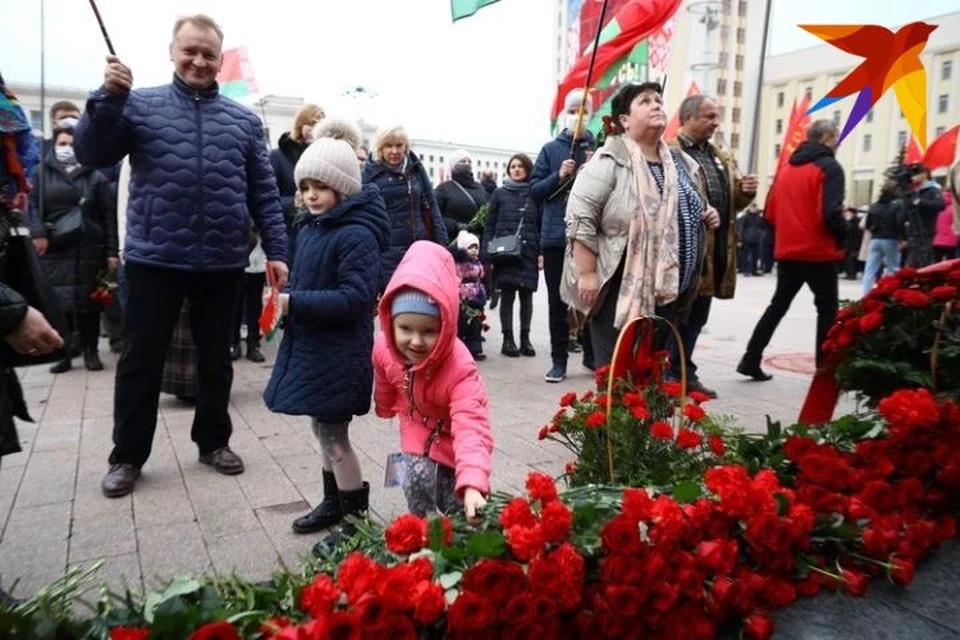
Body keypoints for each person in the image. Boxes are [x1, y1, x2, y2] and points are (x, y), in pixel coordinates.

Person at [74, 14, 289, 498]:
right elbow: (91, 153)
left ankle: (213, 442)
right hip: (155, 257)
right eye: (190, 50)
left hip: (222, 259)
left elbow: (265, 194)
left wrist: (277, 251)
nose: (199, 60)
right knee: (140, 360)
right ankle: (127, 456)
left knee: (218, 357)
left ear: (219, 60)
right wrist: (106, 99)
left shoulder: (243, 122)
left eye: (208, 54)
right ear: (172, 51)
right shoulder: (136, 105)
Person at [263, 120, 389, 555]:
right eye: (306, 185)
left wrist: (296, 303)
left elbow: (355, 299)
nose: (312, 194)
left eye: (321, 186)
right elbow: (307, 280)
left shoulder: (355, 234)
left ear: (343, 187)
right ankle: (334, 503)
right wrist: (285, 298)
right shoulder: (313, 227)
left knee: (335, 437)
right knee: (322, 431)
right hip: (316, 348)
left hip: (338, 351)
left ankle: (355, 522)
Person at [563, 82, 717, 369]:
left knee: (651, 372)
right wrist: (586, 273)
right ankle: (615, 415)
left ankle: (646, 414)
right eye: (645, 101)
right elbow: (580, 218)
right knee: (616, 377)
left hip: (666, 286)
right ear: (624, 120)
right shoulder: (608, 160)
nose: (656, 105)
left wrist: (706, 213)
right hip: (617, 285)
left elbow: (690, 202)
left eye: (658, 99)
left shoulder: (678, 161)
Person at [373, 240, 492, 520]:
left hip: (452, 436)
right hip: (415, 425)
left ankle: (462, 524)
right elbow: (385, 379)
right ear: (390, 322)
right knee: (413, 479)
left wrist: (473, 482)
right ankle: (420, 526)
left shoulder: (459, 367)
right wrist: (385, 406)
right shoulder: (383, 347)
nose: (415, 341)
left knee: (457, 498)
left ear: (446, 325)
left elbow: (472, 425)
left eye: (428, 331)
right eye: (405, 328)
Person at [738, 120, 846, 380]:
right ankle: (825, 369)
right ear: (828, 138)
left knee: (777, 306)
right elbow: (830, 214)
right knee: (828, 310)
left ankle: (751, 358)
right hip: (819, 251)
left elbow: (770, 214)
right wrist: (844, 236)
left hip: (788, 251)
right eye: (837, 138)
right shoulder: (830, 168)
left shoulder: (785, 168)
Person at [672, 94, 756, 397]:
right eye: (709, 116)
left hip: (717, 248)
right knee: (679, 316)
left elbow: (731, 201)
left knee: (698, 317)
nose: (715, 123)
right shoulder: (672, 152)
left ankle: (683, 371)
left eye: (716, 116)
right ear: (689, 118)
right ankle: (674, 373)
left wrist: (745, 193)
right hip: (687, 253)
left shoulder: (719, 155)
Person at [29, 121, 118, 373]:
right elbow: (32, 206)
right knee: (61, 304)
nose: (67, 148)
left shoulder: (96, 177)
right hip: (56, 247)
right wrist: (38, 234)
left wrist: (111, 251)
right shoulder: (40, 173)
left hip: (90, 247)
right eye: (62, 144)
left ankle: (91, 352)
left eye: (72, 144)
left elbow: (108, 216)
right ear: (54, 145)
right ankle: (64, 353)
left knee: (90, 304)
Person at [531, 89, 596, 382]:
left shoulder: (601, 148)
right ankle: (559, 360)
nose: (578, 113)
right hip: (557, 236)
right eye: (573, 108)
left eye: (584, 108)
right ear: (564, 113)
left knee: (593, 299)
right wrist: (558, 175)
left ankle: (593, 356)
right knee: (558, 303)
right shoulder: (549, 150)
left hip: (591, 236)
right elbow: (535, 191)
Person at [363, 125, 448, 291]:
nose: (394, 151)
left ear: (406, 146)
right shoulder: (369, 174)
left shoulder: (415, 169)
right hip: (386, 252)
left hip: (418, 249)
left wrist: (442, 242)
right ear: (380, 148)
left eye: (399, 145)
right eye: (389, 146)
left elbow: (431, 205)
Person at [483, 153, 540, 358]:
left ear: (527, 169)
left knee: (527, 296)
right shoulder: (499, 193)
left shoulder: (535, 193)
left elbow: (540, 224)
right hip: (505, 253)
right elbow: (489, 224)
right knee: (507, 295)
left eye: (520, 166)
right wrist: (486, 252)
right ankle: (508, 339)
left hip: (528, 250)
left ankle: (525, 339)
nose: (516, 169)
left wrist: (540, 252)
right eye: (512, 166)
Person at [270, 104, 325, 267]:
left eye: (320, 124)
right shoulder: (277, 157)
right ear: (300, 124)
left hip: (318, 234)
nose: (315, 129)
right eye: (312, 123)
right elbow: (267, 201)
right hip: (289, 236)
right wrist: (292, 203)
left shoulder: (323, 157)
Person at [861, 181, 906, 295]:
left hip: (875, 239)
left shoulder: (875, 205)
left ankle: (865, 294)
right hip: (891, 238)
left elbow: (868, 224)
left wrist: (875, 230)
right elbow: (899, 222)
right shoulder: (898, 204)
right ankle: (891, 293)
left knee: (870, 269)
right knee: (893, 268)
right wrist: (902, 238)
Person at [435, 149, 488, 239]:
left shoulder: (480, 188)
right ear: (454, 165)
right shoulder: (444, 188)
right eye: (462, 161)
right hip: (453, 239)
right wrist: (456, 226)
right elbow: (436, 216)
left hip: (477, 240)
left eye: (469, 161)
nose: (467, 164)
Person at [231, 230, 266, 363]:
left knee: (255, 306)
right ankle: (233, 343)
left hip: (259, 263)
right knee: (235, 305)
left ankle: (253, 344)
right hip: (236, 261)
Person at [452, 230, 487, 361]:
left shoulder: (478, 262)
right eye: (471, 247)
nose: (474, 250)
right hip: (464, 298)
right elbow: (456, 280)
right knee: (462, 324)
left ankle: (475, 349)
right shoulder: (459, 264)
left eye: (476, 247)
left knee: (476, 324)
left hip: (477, 298)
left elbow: (482, 277)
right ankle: (460, 349)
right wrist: (457, 295)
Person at [903, 163, 945, 268]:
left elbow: (940, 205)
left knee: (923, 261)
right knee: (912, 263)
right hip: (912, 231)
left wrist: (920, 202)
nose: (913, 176)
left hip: (925, 230)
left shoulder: (933, 190)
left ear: (925, 174)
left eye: (916, 173)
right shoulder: (912, 191)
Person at [736, 203, 764, 276]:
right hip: (746, 239)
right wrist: (740, 240)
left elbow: (762, 227)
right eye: (753, 207)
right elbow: (740, 229)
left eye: (755, 207)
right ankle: (746, 270)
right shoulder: (745, 217)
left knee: (756, 255)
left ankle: (754, 270)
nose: (754, 209)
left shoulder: (759, 217)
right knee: (746, 256)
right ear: (750, 208)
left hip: (756, 239)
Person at [933, 190, 958, 262]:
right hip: (951, 241)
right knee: (951, 264)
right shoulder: (955, 208)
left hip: (937, 240)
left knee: (937, 264)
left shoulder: (938, 206)